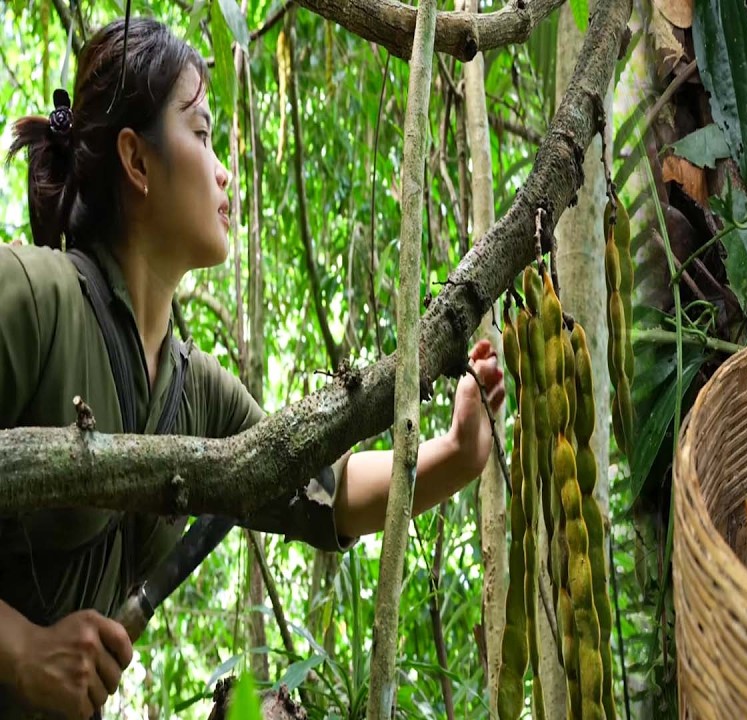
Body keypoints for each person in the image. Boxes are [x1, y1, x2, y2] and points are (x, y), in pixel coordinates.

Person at [0, 17, 505, 720]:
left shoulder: (196, 393)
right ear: (137, 162)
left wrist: (455, 452)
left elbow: (322, 490)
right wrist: (17, 647)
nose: (224, 168)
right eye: (201, 134)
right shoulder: (30, 296)